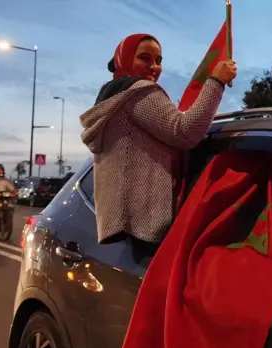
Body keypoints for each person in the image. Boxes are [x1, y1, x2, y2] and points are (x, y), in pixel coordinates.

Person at [80, 33, 236, 247]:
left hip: (129, 228)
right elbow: (184, 132)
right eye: (144, 58)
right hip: (148, 229)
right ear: (124, 59)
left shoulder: (113, 95)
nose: (154, 66)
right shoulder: (138, 92)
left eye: (159, 60)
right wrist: (216, 81)